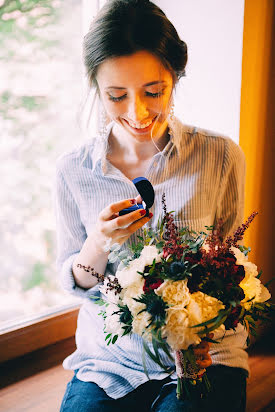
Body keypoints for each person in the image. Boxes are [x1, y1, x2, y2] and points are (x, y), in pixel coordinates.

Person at [54, 1, 248, 411]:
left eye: (153, 92)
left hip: (205, 356)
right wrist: (99, 242)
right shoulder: (74, 169)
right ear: (96, 89)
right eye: (116, 96)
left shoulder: (220, 156)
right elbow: (78, 283)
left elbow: (233, 267)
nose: (137, 113)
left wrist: (201, 329)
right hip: (111, 361)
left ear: (175, 77)